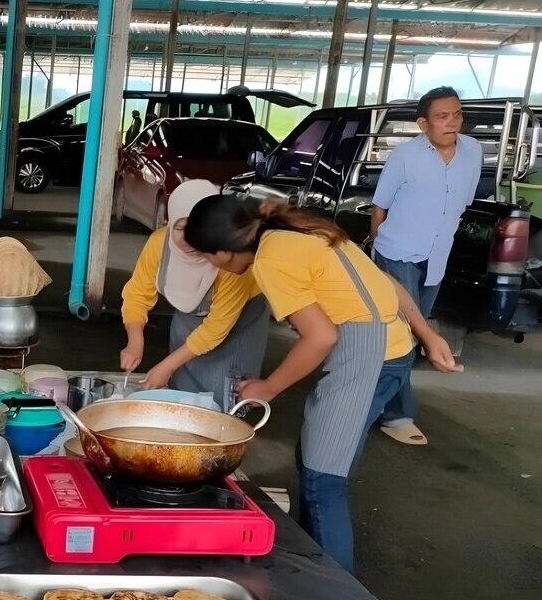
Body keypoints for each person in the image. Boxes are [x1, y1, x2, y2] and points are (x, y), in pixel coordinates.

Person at [183, 195, 463, 573]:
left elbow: (320, 337)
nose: (210, 265)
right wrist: (427, 335)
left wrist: (267, 388)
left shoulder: (270, 260)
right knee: (314, 461)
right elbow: (387, 282)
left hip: (370, 359)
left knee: (323, 480)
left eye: (206, 257)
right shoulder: (302, 229)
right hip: (392, 350)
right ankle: (311, 563)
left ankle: (336, 593)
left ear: (223, 251)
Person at [369, 86, 481, 446]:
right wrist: (377, 254)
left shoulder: (473, 152)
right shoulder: (404, 156)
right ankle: (395, 415)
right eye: (442, 117)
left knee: (415, 333)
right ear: (423, 123)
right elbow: (379, 206)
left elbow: (463, 202)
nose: (452, 123)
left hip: (437, 256)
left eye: (457, 114)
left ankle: (381, 399)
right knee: (405, 334)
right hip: (397, 251)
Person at [119, 180, 269, 410]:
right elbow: (137, 293)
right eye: (180, 228)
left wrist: (167, 365)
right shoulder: (160, 244)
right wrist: (135, 338)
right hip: (188, 320)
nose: (188, 240)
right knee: (184, 393)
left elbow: (216, 328)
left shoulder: (230, 258)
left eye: (195, 230)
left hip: (237, 323)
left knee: (226, 401)